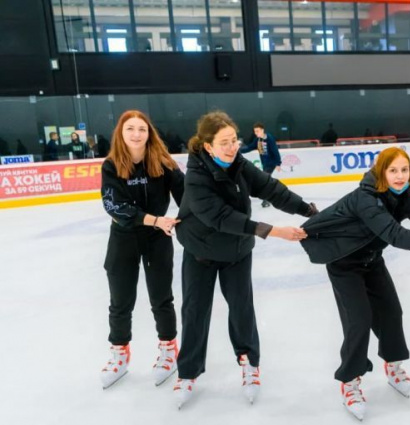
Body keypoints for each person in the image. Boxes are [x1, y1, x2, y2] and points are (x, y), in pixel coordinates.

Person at [300, 147, 410, 421]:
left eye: (404, 170)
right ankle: (350, 380)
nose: (400, 176)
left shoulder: (405, 196)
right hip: (343, 263)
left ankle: (393, 364)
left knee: (391, 313)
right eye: (393, 171)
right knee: (359, 320)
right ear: (381, 173)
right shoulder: (366, 199)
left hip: (371, 260)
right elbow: (395, 234)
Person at [173, 111, 318, 408]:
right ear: (208, 146)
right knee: (195, 311)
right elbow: (220, 217)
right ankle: (187, 372)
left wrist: (309, 211)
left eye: (234, 141)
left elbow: (271, 189)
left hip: (237, 253)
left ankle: (249, 362)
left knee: (242, 308)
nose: (232, 147)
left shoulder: (239, 165)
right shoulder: (196, 178)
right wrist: (272, 231)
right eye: (224, 142)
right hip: (200, 252)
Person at [99, 110, 185, 389]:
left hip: (157, 238)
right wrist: (154, 219)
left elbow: (187, 196)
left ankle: (168, 349)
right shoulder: (111, 165)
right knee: (120, 300)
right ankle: (119, 353)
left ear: (150, 133)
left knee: (162, 298)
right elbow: (115, 206)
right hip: (124, 237)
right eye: (130, 129)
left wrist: (185, 221)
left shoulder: (163, 162)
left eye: (142, 129)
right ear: (121, 134)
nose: (136, 134)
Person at [245, 122, 282, 207]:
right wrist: (238, 150)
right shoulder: (257, 140)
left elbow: (275, 151)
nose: (256, 133)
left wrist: (278, 163)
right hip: (265, 164)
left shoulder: (269, 138)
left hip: (271, 164)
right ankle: (271, 197)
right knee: (266, 182)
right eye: (255, 131)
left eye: (257, 131)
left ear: (262, 130)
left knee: (265, 182)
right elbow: (249, 147)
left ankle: (266, 200)